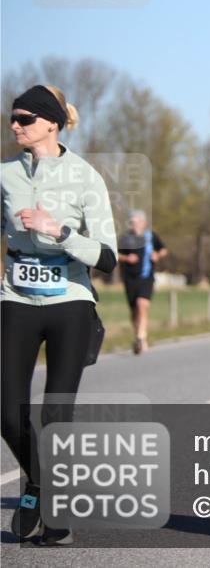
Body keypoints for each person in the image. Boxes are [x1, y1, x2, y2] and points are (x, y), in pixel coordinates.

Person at [2, 85, 118, 545]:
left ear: (52, 124)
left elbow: (106, 256)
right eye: (13, 117)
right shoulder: (6, 175)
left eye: (25, 119)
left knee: (56, 413)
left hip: (70, 302)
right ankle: (39, 481)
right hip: (16, 300)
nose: (15, 125)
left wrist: (60, 231)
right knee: (8, 413)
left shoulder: (85, 177)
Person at [117, 210, 168, 354]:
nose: (135, 225)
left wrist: (157, 254)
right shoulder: (126, 239)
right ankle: (139, 336)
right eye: (133, 222)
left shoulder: (151, 237)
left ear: (144, 223)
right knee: (134, 311)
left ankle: (140, 336)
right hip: (130, 279)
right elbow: (115, 254)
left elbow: (164, 250)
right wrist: (127, 258)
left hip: (146, 277)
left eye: (138, 222)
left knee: (142, 305)